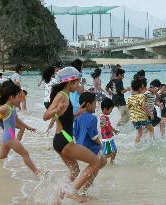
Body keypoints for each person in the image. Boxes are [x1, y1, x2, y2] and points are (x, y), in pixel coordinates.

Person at [43, 67, 101, 203]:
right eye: (78, 83)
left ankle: (56, 201)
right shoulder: (61, 96)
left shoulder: (65, 95)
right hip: (64, 141)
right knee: (95, 162)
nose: (79, 85)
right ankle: (71, 191)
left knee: (74, 172)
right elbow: (45, 116)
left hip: (61, 140)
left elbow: (65, 117)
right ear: (70, 83)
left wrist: (77, 113)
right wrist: (55, 109)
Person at [0, 82, 40, 175]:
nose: (20, 100)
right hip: (9, 137)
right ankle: (37, 172)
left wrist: (28, 127)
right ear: (11, 97)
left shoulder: (12, 107)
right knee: (25, 154)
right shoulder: (4, 108)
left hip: (9, 135)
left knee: (2, 155)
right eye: (18, 97)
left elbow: (16, 119)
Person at [73, 92, 107, 194]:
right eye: (94, 103)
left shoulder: (77, 116)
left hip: (80, 147)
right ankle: (84, 187)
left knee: (99, 164)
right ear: (88, 105)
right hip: (91, 147)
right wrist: (100, 143)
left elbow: (74, 132)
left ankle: (85, 186)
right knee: (99, 164)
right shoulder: (93, 118)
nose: (95, 106)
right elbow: (93, 136)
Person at [127, 79, 154, 143]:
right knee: (151, 129)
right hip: (142, 117)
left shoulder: (130, 97)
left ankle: (135, 145)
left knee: (139, 133)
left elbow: (128, 107)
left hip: (134, 119)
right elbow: (143, 106)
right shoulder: (141, 96)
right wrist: (150, 114)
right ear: (139, 88)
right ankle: (152, 142)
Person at [100, 98, 119, 164]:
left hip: (109, 137)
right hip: (106, 139)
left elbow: (109, 126)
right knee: (108, 153)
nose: (111, 111)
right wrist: (104, 124)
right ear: (105, 109)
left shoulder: (106, 117)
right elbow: (101, 126)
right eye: (111, 109)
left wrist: (114, 130)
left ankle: (112, 162)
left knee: (114, 150)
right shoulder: (103, 117)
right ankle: (100, 161)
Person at [42, 66, 59, 132]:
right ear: (52, 73)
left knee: (55, 117)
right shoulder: (55, 81)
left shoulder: (46, 81)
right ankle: (50, 130)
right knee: (57, 117)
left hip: (46, 102)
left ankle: (48, 130)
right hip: (51, 102)